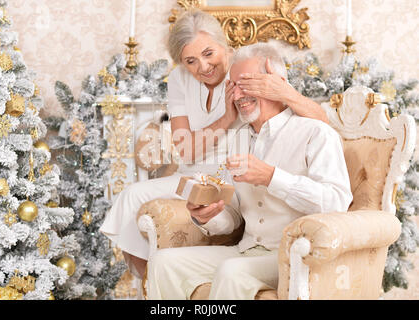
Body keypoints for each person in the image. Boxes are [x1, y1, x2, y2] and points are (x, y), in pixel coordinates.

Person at [99, 9, 328, 279]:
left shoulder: (242, 70)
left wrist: (283, 91)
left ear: (224, 45)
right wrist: (226, 119)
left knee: (133, 196)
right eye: (191, 61)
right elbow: (185, 151)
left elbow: (320, 121)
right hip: (193, 170)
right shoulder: (179, 80)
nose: (203, 67)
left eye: (209, 54)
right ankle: (150, 284)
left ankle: (155, 283)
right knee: (130, 198)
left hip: (233, 171)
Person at [146, 42, 353, 300]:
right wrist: (207, 215)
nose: (238, 95)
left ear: (276, 82)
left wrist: (271, 177)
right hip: (245, 251)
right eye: (233, 86)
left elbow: (337, 202)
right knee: (163, 262)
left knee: (232, 272)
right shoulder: (239, 138)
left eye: (247, 83)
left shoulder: (315, 132)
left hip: (292, 256)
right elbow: (233, 216)